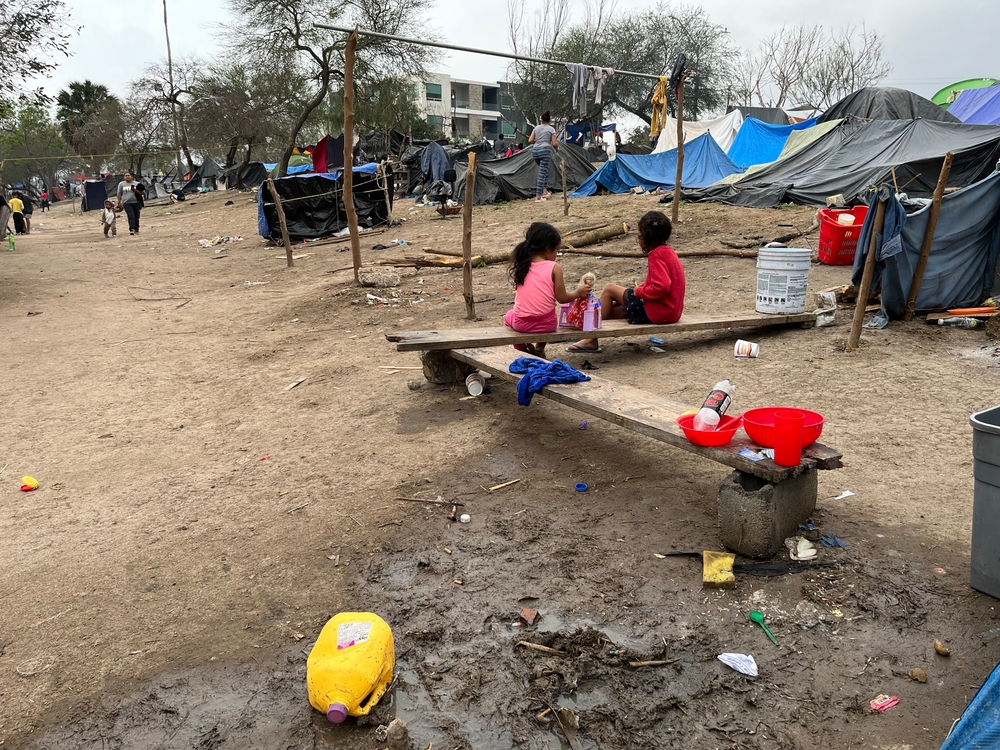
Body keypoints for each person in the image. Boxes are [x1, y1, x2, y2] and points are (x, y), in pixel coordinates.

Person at [568, 210, 685, 353]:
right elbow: (659, 282)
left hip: (658, 312)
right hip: (671, 312)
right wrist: (640, 289)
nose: (639, 240)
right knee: (610, 310)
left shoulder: (655, 255)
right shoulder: (669, 252)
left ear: (648, 239)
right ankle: (588, 334)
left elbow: (662, 286)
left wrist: (639, 291)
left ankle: (591, 339)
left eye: (639, 237)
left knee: (609, 289)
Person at [503, 222, 591, 357]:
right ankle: (539, 348)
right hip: (548, 324)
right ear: (548, 248)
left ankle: (521, 347)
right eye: (557, 250)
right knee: (547, 311)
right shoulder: (554, 267)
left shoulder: (521, 265)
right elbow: (561, 299)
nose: (557, 253)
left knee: (508, 316)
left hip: (522, 324)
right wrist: (578, 293)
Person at [528, 112, 558, 202]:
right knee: (542, 173)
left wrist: (536, 143)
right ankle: (538, 196)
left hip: (535, 151)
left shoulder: (536, 128)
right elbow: (554, 143)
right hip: (545, 151)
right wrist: (557, 149)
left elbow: (530, 140)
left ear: (541, 120)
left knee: (544, 170)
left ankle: (545, 191)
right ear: (549, 120)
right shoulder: (551, 129)